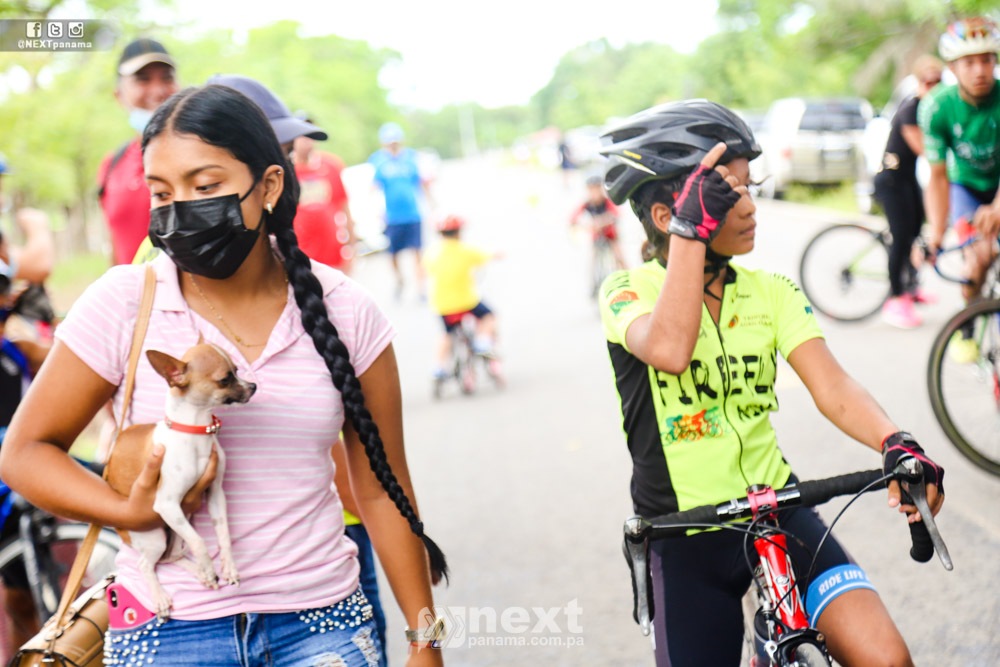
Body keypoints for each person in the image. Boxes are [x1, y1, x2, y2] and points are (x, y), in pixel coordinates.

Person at [0, 84, 447, 667]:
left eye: (206, 186)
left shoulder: (346, 310)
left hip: (322, 628)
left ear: (269, 185)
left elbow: (383, 490)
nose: (181, 208)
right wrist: (128, 513)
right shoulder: (123, 303)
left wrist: (425, 639)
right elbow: (26, 453)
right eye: (162, 192)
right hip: (164, 631)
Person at [598, 99, 945, 666]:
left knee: (888, 660)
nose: (749, 205)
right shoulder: (626, 291)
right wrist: (690, 234)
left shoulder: (771, 290)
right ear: (666, 217)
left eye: (749, 187)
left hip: (778, 509)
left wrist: (895, 442)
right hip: (686, 534)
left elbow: (833, 387)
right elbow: (669, 350)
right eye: (726, 193)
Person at [920, 17, 1000, 359]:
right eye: (969, 62)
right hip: (965, 187)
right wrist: (937, 233)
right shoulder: (936, 107)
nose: (979, 70)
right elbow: (937, 177)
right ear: (952, 67)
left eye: (986, 60)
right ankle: (969, 319)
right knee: (978, 257)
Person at [0, 159, 55, 650]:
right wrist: (38, 229)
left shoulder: (16, 346)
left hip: (15, 456)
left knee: (23, 586)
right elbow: (37, 262)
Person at [874, 54, 944, 329]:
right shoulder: (910, 110)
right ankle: (895, 298)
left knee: (916, 232)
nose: (933, 87)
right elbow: (927, 151)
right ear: (918, 82)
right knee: (901, 238)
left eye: (938, 81)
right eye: (928, 81)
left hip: (907, 180)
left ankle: (911, 287)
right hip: (890, 181)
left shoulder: (930, 108)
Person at [98, 38, 180, 266]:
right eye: (143, 79)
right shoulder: (111, 165)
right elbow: (116, 244)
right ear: (119, 95)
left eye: (167, 78)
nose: (158, 90)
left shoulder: (200, 155)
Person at [423, 214, 502, 380]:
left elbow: (425, 269)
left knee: (446, 334)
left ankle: (439, 367)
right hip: (467, 301)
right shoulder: (465, 250)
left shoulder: (432, 253)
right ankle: (482, 342)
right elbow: (486, 255)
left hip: (443, 304)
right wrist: (497, 254)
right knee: (488, 316)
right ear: (459, 232)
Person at [368, 122, 431, 299]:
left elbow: (421, 182)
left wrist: (432, 204)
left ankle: (421, 287)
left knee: (417, 252)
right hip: (392, 217)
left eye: (395, 142)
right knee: (393, 254)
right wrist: (373, 209)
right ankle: (400, 280)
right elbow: (375, 186)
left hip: (412, 214)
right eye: (390, 142)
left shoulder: (411, 157)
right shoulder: (379, 160)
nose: (393, 145)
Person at [292, 112, 356, 273]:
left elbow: (344, 207)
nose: (306, 140)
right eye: (301, 135)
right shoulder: (286, 171)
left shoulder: (330, 165)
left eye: (310, 134)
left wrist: (352, 247)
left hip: (333, 254)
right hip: (303, 257)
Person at [570, 174, 627, 289]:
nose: (595, 193)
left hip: (610, 235)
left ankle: (626, 278)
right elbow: (573, 219)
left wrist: (602, 222)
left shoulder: (606, 202)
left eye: (597, 188)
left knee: (619, 256)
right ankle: (593, 284)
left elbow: (616, 214)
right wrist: (585, 227)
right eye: (592, 189)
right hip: (596, 236)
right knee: (593, 259)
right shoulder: (587, 204)